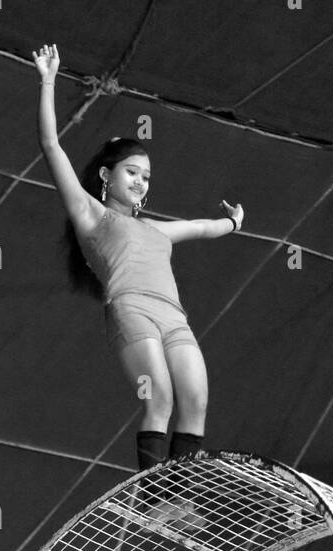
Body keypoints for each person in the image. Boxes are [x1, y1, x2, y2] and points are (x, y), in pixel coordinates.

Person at [33, 43, 244, 485]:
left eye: (146, 177)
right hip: (131, 309)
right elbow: (51, 145)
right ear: (107, 175)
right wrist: (48, 80)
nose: (140, 181)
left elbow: (202, 227)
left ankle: (178, 498)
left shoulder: (155, 229)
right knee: (160, 396)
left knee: (196, 399)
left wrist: (233, 223)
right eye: (132, 171)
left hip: (174, 317)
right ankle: (154, 495)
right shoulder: (92, 215)